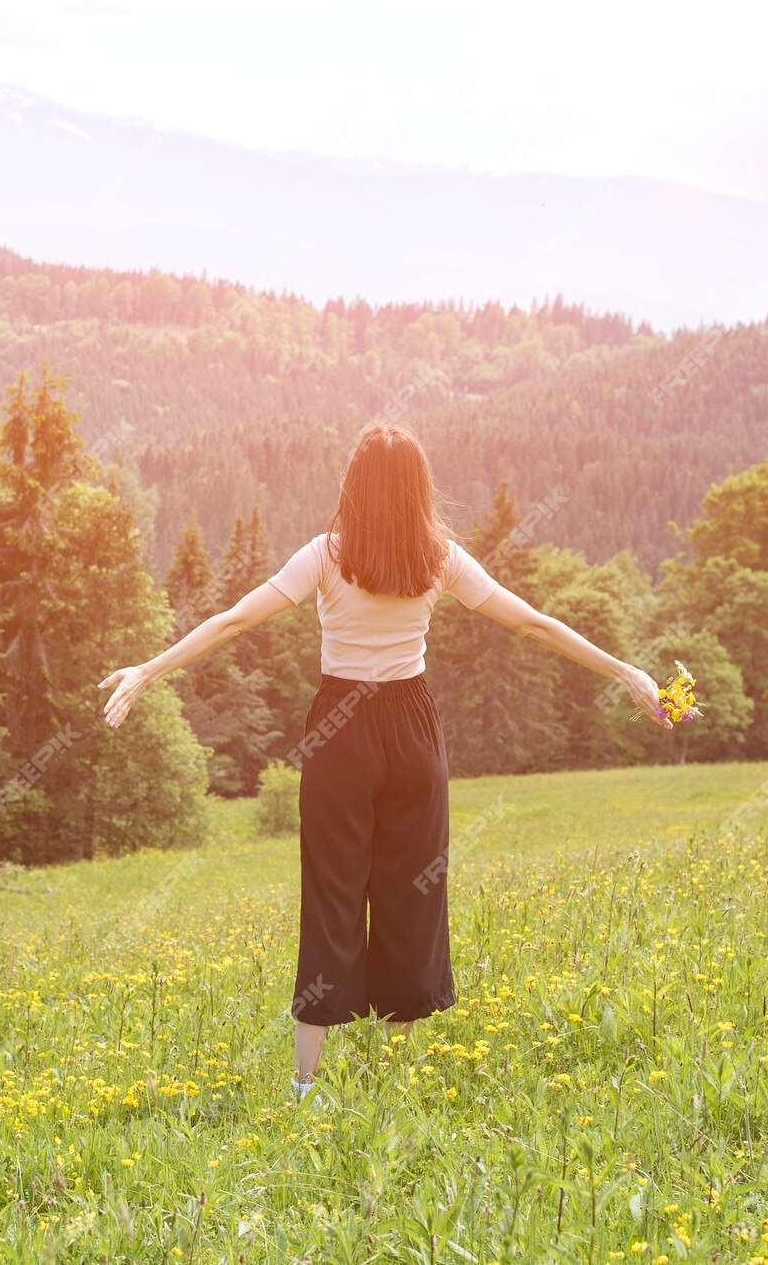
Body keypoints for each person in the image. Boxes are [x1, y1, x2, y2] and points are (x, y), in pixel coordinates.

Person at [98, 421, 668, 1100]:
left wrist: (149, 669)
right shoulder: (440, 559)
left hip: (342, 734)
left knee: (331, 897)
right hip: (413, 732)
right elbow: (533, 623)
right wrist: (624, 670)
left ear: (355, 485)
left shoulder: (326, 554)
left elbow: (234, 620)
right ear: (419, 490)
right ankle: (399, 1081)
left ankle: (306, 1084)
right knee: (411, 897)